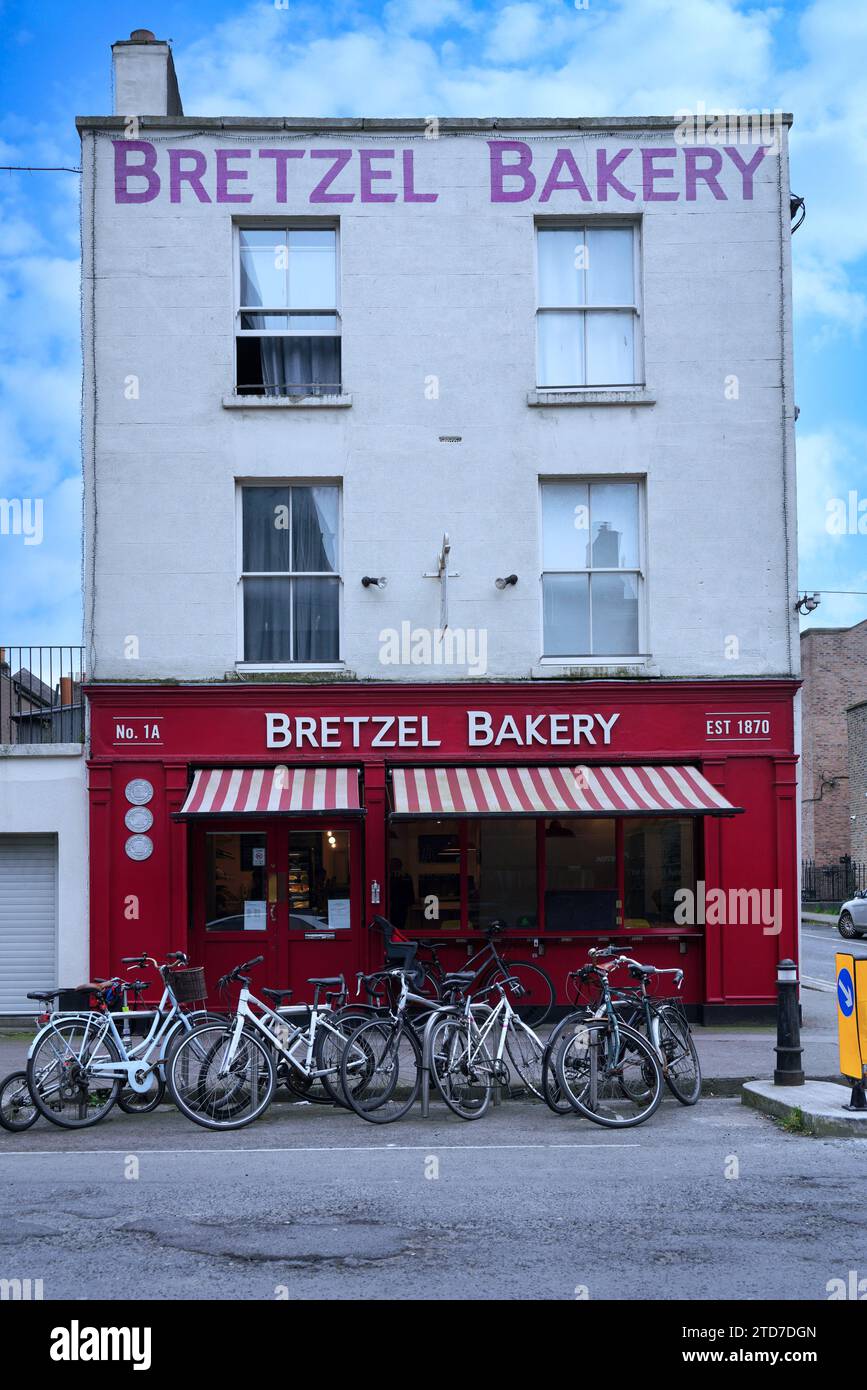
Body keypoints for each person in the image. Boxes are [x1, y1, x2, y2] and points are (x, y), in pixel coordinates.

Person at [389, 857, 415, 930]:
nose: (393, 867)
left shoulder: (406, 877)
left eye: (395, 865)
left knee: (400, 925)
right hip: (390, 905)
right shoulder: (386, 876)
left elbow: (409, 892)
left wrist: (409, 904)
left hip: (401, 906)